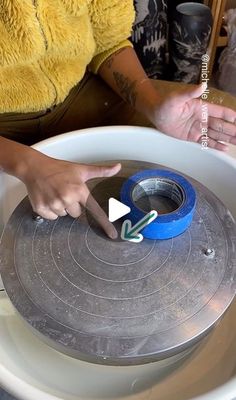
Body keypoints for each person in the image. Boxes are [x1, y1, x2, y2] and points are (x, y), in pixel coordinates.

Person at [0, 0, 236, 238]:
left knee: (220, 113)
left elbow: (108, 41)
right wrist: (26, 163)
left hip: (78, 91)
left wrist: (151, 104)